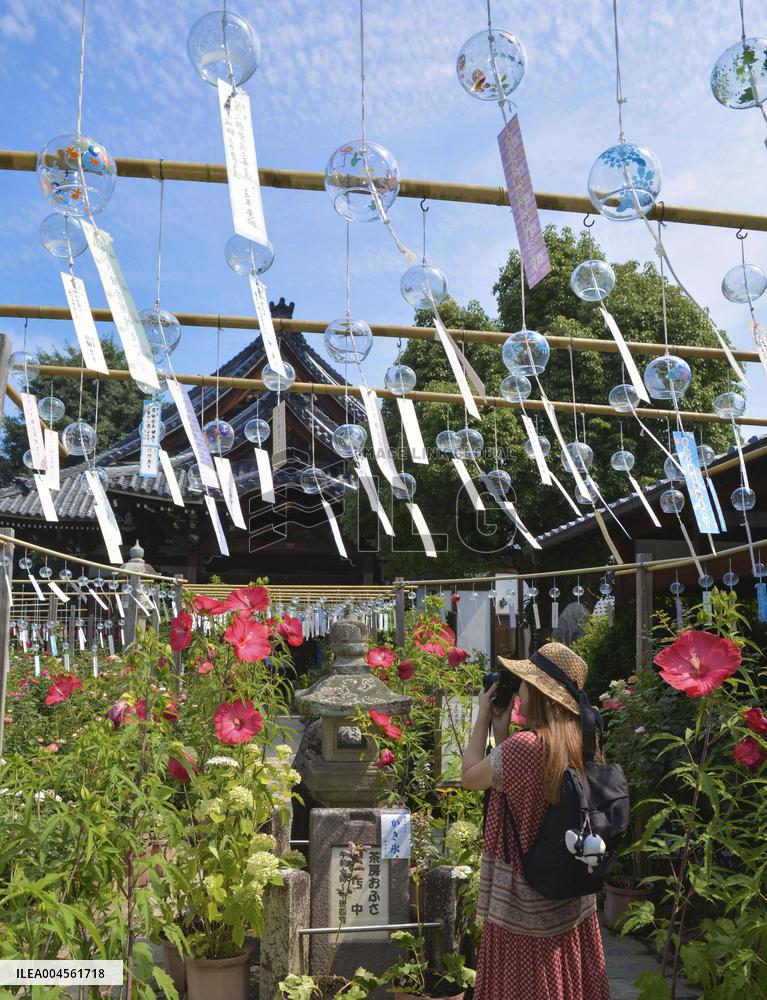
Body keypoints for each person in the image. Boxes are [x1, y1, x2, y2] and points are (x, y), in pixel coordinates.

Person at [461, 641, 610, 1000]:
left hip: (523, 904)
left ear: (541, 693)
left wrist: (483, 715)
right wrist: (503, 733)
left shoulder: (525, 747)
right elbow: (529, 790)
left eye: (525, 682)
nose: (520, 690)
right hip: (568, 891)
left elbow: (468, 777)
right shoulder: (581, 740)